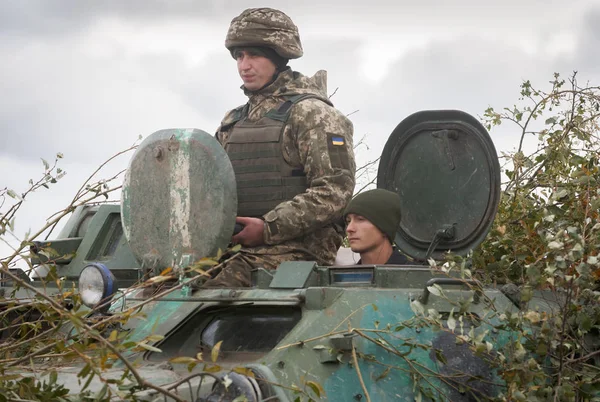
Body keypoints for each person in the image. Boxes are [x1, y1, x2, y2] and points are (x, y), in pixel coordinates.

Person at [202, 8, 356, 287]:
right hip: (234, 249)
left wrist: (268, 228)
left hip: (299, 250)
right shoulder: (234, 121)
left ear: (279, 56)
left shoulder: (313, 114)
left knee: (218, 291)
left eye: (254, 55)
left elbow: (334, 191)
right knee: (162, 285)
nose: (244, 65)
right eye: (239, 56)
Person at [343, 189, 410, 265]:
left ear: (384, 226)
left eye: (360, 219)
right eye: (348, 221)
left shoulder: (417, 275)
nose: (349, 228)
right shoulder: (344, 276)